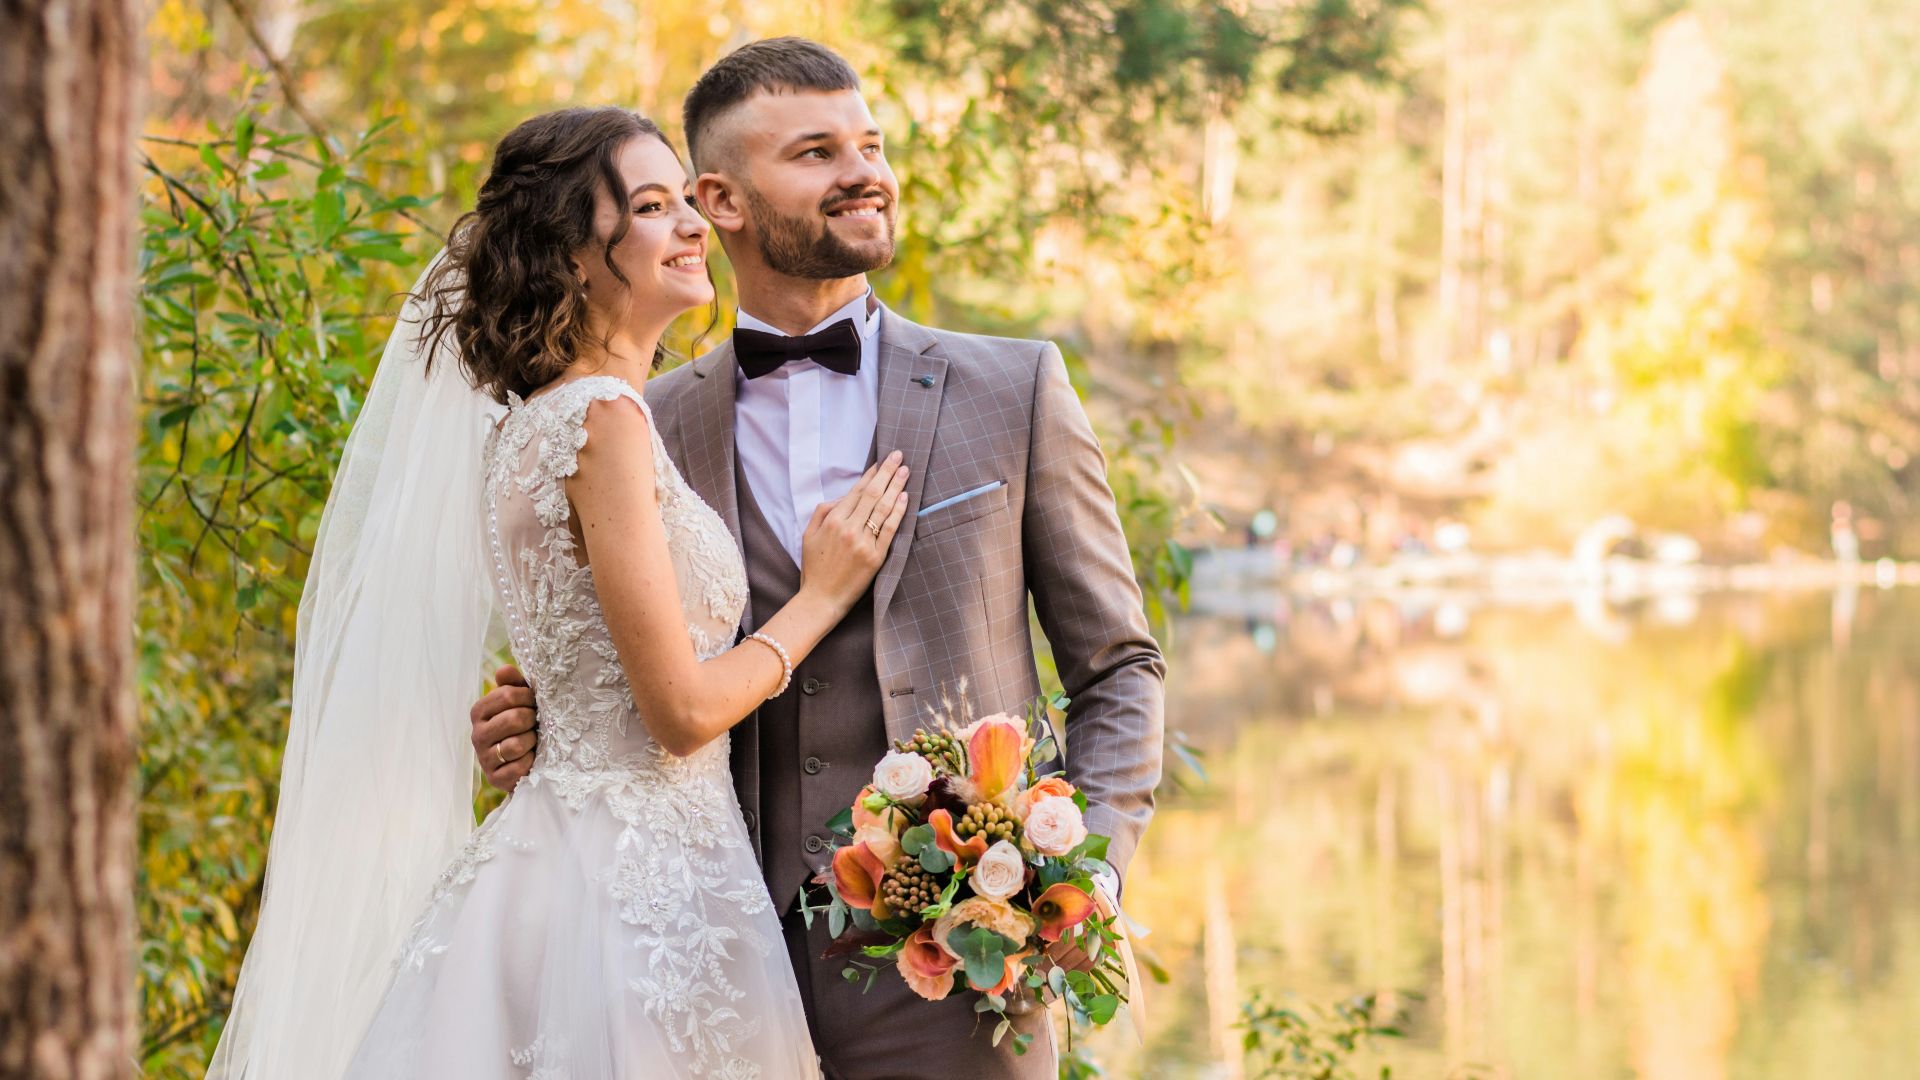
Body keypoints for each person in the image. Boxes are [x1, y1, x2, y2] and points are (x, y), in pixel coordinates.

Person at [470, 37, 1166, 1078]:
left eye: (870, 144)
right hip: (700, 951)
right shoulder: (629, 421)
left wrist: (1078, 884)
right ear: (723, 199)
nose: (865, 173)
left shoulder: (1011, 391)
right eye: (816, 151)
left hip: (963, 970)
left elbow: (1118, 667)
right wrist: (538, 722)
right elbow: (624, 663)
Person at [210, 106, 910, 1079]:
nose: (694, 226)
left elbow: (586, 666)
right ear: (578, 257)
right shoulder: (605, 422)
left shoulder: (532, 426)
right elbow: (678, 712)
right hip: (635, 895)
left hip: (574, 859)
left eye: (686, 203)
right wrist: (822, 595)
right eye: (656, 207)